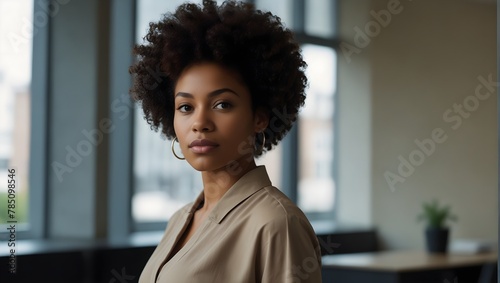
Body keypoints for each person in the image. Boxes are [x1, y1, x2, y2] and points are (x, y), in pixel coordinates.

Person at [129, 1, 322, 282]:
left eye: (222, 104)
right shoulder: (180, 219)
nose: (200, 122)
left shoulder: (277, 223)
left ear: (259, 117)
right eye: (185, 107)